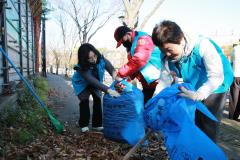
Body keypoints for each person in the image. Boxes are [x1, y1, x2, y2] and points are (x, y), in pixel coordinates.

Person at [152, 20, 233, 142]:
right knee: (194, 120)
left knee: (207, 121)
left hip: (217, 82)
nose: (167, 54)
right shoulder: (165, 56)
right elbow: (164, 80)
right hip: (195, 83)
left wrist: (199, 94)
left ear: (180, 40)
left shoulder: (202, 45)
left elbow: (216, 76)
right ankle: (195, 148)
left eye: (169, 49)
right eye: (163, 51)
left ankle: (208, 151)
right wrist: (156, 101)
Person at [72, 43, 120, 132]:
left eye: (94, 56)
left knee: (98, 99)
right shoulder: (81, 67)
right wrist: (108, 90)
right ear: (84, 59)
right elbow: (91, 80)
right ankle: (83, 124)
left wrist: (119, 79)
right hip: (82, 83)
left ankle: (97, 124)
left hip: (96, 81)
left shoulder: (101, 59)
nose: (94, 59)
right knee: (84, 101)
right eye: (90, 58)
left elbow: (111, 69)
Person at [114, 26, 163, 104]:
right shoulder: (132, 46)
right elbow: (134, 67)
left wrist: (120, 74)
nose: (123, 43)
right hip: (147, 83)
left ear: (128, 34)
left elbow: (138, 61)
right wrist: (126, 80)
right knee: (143, 105)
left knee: (158, 106)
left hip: (158, 79)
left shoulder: (143, 39)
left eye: (122, 40)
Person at [229, 43, 240, 120]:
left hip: (235, 74)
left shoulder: (235, 49)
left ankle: (233, 116)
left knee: (234, 96)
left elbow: (231, 62)